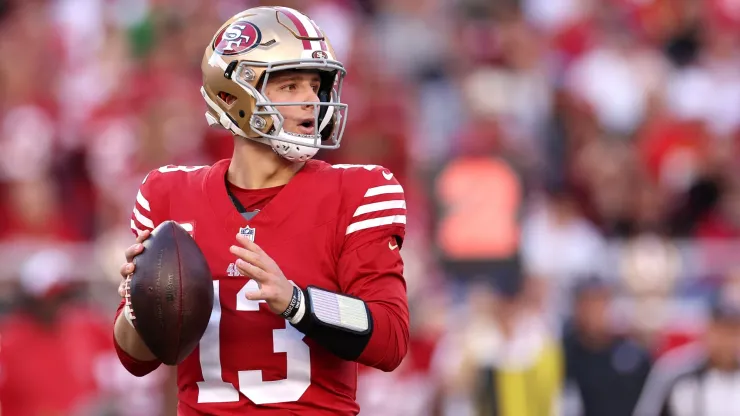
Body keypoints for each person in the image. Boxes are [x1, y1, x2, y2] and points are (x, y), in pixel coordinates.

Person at [113, 6, 410, 416]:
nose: (312, 102)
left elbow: (391, 337)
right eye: (289, 86)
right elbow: (135, 360)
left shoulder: (358, 191)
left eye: (316, 85)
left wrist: (298, 302)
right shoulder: (168, 194)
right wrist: (139, 303)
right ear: (233, 96)